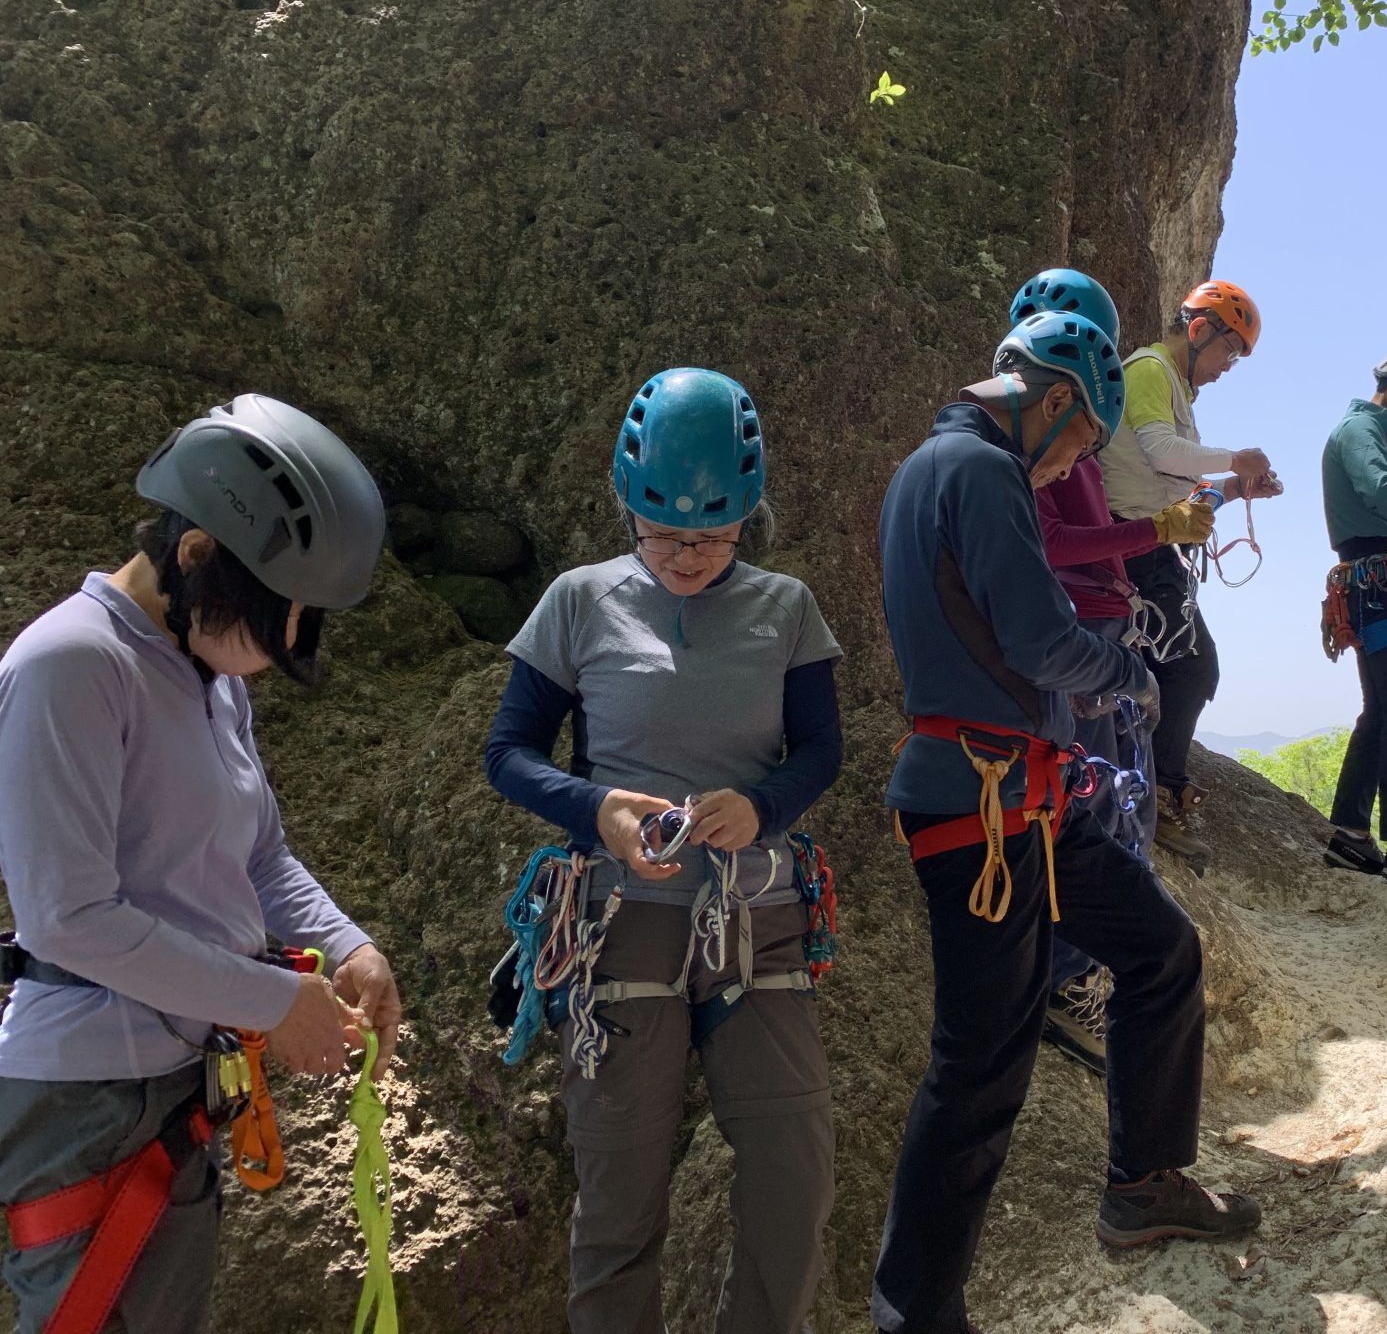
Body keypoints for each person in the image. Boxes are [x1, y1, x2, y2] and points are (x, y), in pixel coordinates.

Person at [872, 309, 1259, 1334]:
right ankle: (916, 1309)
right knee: (980, 1068)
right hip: (986, 810)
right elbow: (1042, 637)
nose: (1077, 461)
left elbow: (997, 631)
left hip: (1021, 798)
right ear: (1050, 405)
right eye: (1086, 435)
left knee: (1159, 948)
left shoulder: (931, 468)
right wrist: (1127, 676)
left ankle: (1144, 1182)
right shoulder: (985, 471)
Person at [0, 394, 403, 1333]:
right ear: (195, 557)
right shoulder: (70, 665)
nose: (287, 646)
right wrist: (271, 1002)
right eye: (277, 617)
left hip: (172, 1085)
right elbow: (69, 916)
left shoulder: (205, 677)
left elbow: (258, 854)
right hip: (88, 1100)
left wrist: (344, 944)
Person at [484, 368, 843, 1334]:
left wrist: (761, 805)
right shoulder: (579, 601)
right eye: (661, 532)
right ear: (625, 505)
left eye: (713, 535)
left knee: (794, 1176)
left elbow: (820, 751)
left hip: (756, 920)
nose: (685, 556)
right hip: (618, 924)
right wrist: (595, 808)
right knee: (617, 1201)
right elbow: (507, 753)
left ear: (748, 518)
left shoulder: (787, 608)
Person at [1013, 270, 1216, 1075]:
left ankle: (1091, 970)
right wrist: (1150, 532)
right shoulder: (1030, 450)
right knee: (1090, 814)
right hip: (1082, 632)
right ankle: (1066, 980)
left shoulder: (1081, 447)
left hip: (1105, 625)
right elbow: (1056, 548)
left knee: (1114, 805)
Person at [1097, 279, 1280, 868]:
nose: (1228, 367)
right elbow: (1157, 451)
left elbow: (1170, 483)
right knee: (1191, 670)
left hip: (1147, 549)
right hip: (1139, 552)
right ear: (1199, 329)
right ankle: (1158, 797)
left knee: (1172, 671)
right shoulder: (1150, 369)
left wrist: (1230, 487)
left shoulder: (1170, 383)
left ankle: (1150, 794)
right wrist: (1237, 459)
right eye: (1229, 351)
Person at [1320, 357, 1387, 882]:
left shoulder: (1362, 426)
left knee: (1384, 712)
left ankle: (1350, 834)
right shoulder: (1364, 427)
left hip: (1372, 588)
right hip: (1383, 588)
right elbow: (1379, 488)